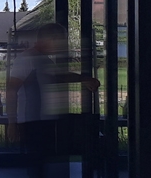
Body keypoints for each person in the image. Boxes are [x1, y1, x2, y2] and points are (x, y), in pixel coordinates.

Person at [6, 23, 99, 178]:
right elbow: (11, 90)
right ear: (51, 39)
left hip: (43, 122)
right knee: (37, 165)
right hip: (32, 123)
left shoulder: (43, 60)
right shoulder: (27, 59)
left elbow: (60, 76)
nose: (63, 45)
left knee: (41, 165)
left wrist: (84, 79)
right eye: (61, 40)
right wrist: (12, 122)